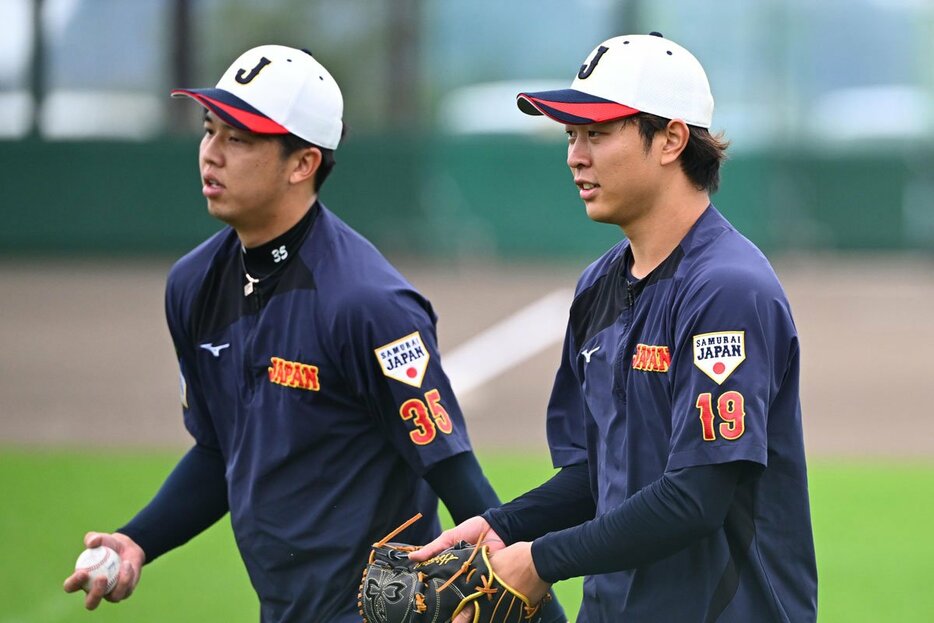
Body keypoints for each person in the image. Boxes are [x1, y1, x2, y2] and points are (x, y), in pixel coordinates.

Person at [61, 44, 565, 623]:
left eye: (238, 139)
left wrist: (545, 616)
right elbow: (221, 449)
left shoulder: (369, 304)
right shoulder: (194, 284)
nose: (211, 155)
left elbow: (453, 471)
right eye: (209, 131)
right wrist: (139, 540)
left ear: (302, 163)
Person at [410, 32, 818, 622]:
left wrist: (540, 560)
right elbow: (594, 478)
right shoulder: (597, 287)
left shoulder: (728, 290)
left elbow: (695, 498)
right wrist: (497, 528)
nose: (575, 155)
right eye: (571, 135)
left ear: (672, 139)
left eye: (597, 133)